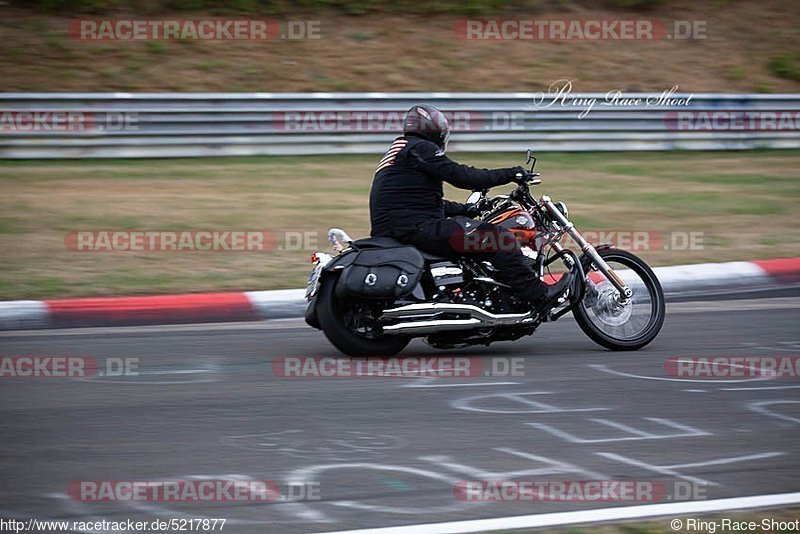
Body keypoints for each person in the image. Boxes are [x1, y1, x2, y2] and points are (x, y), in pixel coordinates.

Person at [369, 104, 574, 313]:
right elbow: (462, 176)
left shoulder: (399, 151)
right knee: (498, 238)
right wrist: (511, 174)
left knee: (474, 233)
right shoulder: (420, 148)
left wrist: (467, 210)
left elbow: (422, 203)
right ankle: (539, 295)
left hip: (401, 227)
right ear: (434, 130)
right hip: (415, 228)